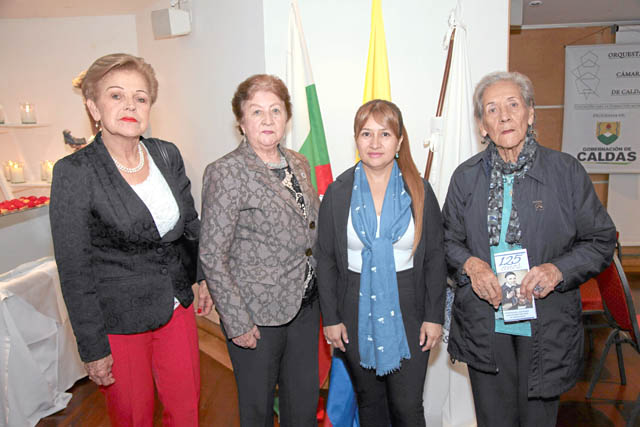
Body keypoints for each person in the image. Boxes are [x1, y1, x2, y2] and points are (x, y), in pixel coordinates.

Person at [442, 71, 616, 426]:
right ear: (482, 125)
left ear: (530, 113)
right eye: (492, 109)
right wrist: (472, 266)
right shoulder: (465, 177)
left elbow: (600, 240)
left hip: (546, 321)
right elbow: (447, 241)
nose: (504, 115)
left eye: (513, 104)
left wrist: (558, 270)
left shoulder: (564, 172)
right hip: (484, 320)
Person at [50, 53, 213, 426]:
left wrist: (202, 276)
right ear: (93, 107)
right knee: (133, 417)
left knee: (186, 410)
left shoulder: (166, 154)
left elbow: (190, 223)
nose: (130, 106)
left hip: (177, 307)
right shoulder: (75, 173)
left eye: (140, 98)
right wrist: (92, 348)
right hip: (118, 322)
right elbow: (74, 270)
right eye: (116, 96)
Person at [316, 99, 447, 426]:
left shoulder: (420, 191)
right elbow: (327, 260)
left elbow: (434, 259)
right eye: (366, 133)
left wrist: (434, 316)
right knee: (370, 404)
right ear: (356, 139)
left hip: (410, 310)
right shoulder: (338, 192)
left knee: (407, 407)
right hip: (354, 310)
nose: (375, 143)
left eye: (385, 134)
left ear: (400, 141)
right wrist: (331, 318)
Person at [199, 74, 321, 426]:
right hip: (255, 317)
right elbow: (212, 255)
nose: (267, 120)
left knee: (302, 406)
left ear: (286, 117)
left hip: (304, 306)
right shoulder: (226, 172)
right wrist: (237, 321)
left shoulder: (299, 163)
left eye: (275, 110)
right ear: (241, 120)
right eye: (256, 112)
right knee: (257, 411)